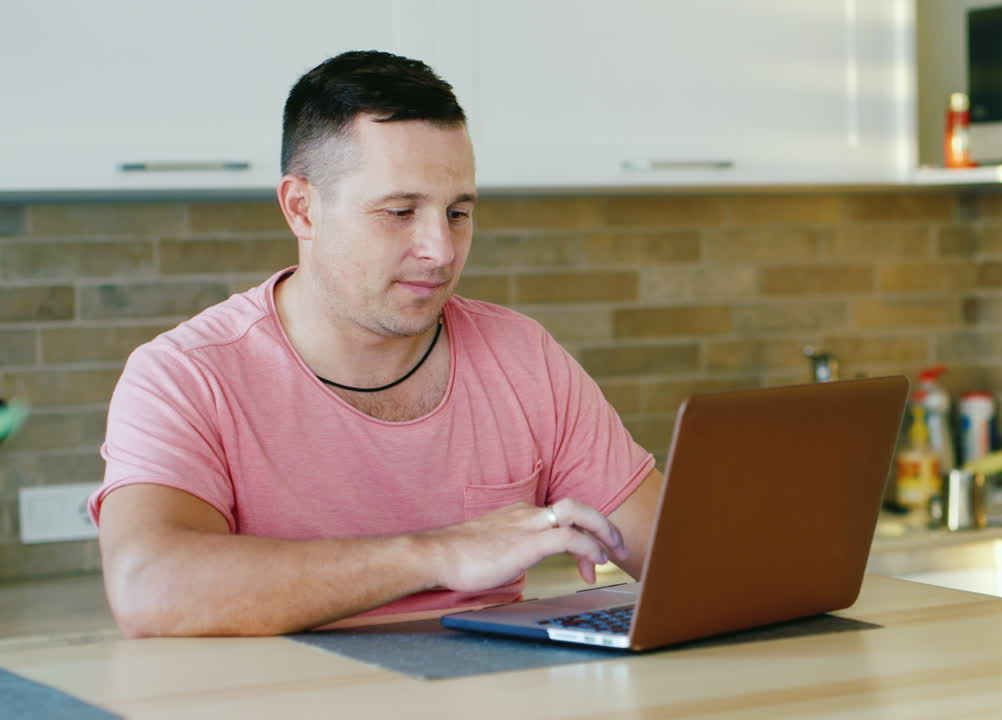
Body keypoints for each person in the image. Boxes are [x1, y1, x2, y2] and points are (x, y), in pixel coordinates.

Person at [91, 50, 663, 638]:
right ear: (301, 208)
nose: (440, 250)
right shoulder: (184, 377)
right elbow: (149, 589)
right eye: (399, 211)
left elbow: (682, 558)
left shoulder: (522, 358)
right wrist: (437, 554)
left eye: (458, 212)